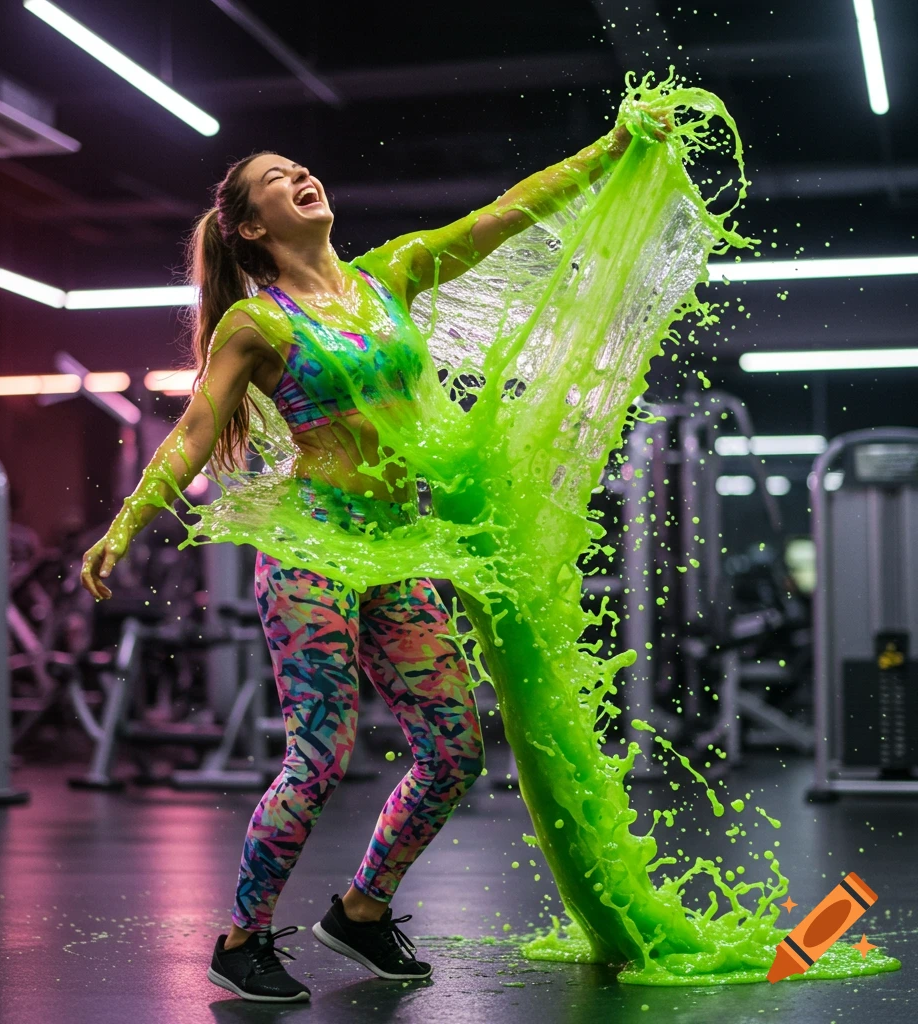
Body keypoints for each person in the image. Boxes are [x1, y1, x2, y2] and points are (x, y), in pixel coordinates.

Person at [80, 120, 641, 1003]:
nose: (301, 172)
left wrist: (609, 153)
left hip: (393, 549)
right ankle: (243, 938)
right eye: (276, 177)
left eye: (300, 165)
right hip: (311, 550)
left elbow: (505, 214)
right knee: (321, 750)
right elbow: (195, 429)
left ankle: (362, 912)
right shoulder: (257, 321)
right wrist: (127, 520)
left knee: (453, 750)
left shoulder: (391, 276)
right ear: (254, 228)